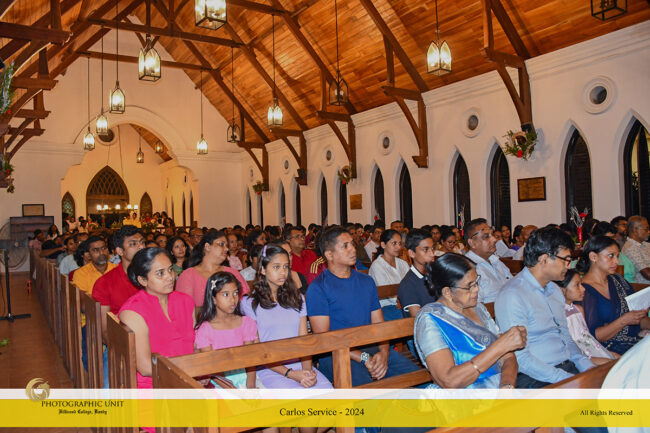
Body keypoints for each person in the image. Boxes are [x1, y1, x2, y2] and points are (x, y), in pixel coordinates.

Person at [307, 226, 419, 386]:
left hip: (371, 347)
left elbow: (379, 325)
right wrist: (364, 358)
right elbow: (324, 338)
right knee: (368, 391)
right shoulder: (319, 288)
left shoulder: (366, 281)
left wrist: (384, 353)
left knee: (417, 379)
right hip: (336, 354)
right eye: (345, 246)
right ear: (329, 254)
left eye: (352, 244)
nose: (353, 249)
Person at [495, 227, 595, 388]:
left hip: (565, 368)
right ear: (544, 259)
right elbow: (521, 358)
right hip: (535, 377)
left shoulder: (554, 290)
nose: (568, 266)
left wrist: (588, 367)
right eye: (565, 259)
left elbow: (566, 338)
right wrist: (567, 379)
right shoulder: (513, 295)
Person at [414, 253, 525, 389]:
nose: (477, 289)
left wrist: (507, 385)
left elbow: (508, 357)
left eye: (476, 282)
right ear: (447, 292)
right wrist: (499, 346)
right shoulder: (430, 319)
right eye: (469, 286)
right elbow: (449, 381)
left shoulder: (478, 309)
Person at [241, 244, 332, 391]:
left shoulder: (297, 298)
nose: (283, 272)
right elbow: (257, 350)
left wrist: (307, 372)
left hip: (299, 366)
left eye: (285, 267)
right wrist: (290, 374)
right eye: (276, 267)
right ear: (263, 269)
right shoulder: (249, 303)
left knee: (329, 393)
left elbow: (304, 341)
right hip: (270, 368)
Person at [119, 248, 194, 398]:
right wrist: (188, 375)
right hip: (154, 386)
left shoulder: (185, 301)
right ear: (143, 280)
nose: (170, 277)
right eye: (160, 273)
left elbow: (195, 345)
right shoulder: (133, 312)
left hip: (188, 379)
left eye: (170, 270)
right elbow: (145, 367)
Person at [579, 235, 649, 355]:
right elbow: (595, 336)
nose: (616, 261)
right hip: (610, 349)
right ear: (593, 257)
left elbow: (639, 319)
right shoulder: (583, 291)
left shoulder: (617, 280)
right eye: (611, 256)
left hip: (635, 341)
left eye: (617, 256)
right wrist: (624, 320)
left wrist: (639, 316)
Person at [194, 272, 258, 388]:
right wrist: (231, 389)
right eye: (225, 294)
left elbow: (251, 359)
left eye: (235, 293)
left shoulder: (246, 323)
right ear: (213, 299)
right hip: (220, 382)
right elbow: (211, 365)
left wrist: (251, 386)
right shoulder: (205, 329)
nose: (232, 299)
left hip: (247, 378)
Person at [176, 230, 250, 314]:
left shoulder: (233, 273)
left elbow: (245, 306)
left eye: (226, 246)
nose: (226, 249)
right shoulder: (188, 276)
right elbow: (183, 310)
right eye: (221, 244)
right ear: (207, 247)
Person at [554, 269, 617, 364]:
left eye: (581, 284)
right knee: (612, 364)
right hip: (580, 358)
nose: (583, 288)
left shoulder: (579, 309)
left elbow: (588, 339)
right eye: (577, 285)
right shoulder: (558, 315)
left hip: (593, 350)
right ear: (562, 290)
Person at [464, 218, 513, 303]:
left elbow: (514, 286)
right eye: (486, 237)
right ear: (472, 243)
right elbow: (476, 307)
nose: (494, 239)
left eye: (492, 234)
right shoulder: (468, 268)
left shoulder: (495, 261)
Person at [369, 229, 409, 321]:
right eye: (394, 243)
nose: (398, 247)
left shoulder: (403, 263)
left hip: (404, 302)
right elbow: (386, 291)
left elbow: (410, 284)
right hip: (387, 306)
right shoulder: (377, 266)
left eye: (400, 243)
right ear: (383, 244)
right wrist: (402, 300)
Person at [398, 230, 436, 318]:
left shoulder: (436, 275)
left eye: (432, 248)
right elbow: (419, 319)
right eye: (426, 250)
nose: (432, 254)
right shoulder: (408, 284)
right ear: (412, 253)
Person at [621, 215, 650, 284]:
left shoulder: (646, 244)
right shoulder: (630, 248)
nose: (649, 232)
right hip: (643, 288)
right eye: (646, 229)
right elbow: (648, 274)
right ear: (635, 230)